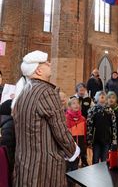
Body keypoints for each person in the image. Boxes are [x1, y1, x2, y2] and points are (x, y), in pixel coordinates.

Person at [12, 50, 80, 187]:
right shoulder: (45, 92)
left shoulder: (24, 91)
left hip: (25, 164)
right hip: (44, 168)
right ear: (38, 70)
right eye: (45, 63)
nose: (50, 63)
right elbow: (60, 129)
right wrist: (74, 151)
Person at [87, 91, 117, 164]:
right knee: (96, 159)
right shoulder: (92, 110)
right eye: (100, 96)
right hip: (96, 139)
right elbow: (89, 126)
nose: (102, 97)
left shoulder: (110, 111)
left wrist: (114, 140)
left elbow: (114, 126)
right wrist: (89, 140)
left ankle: (104, 174)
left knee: (104, 159)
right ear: (96, 98)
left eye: (104, 96)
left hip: (107, 139)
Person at [66, 97, 87, 170]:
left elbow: (84, 134)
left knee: (76, 167)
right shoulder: (66, 118)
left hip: (80, 146)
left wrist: (84, 146)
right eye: (73, 103)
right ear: (69, 106)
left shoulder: (83, 119)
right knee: (68, 167)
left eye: (77, 103)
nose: (76, 105)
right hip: (70, 146)